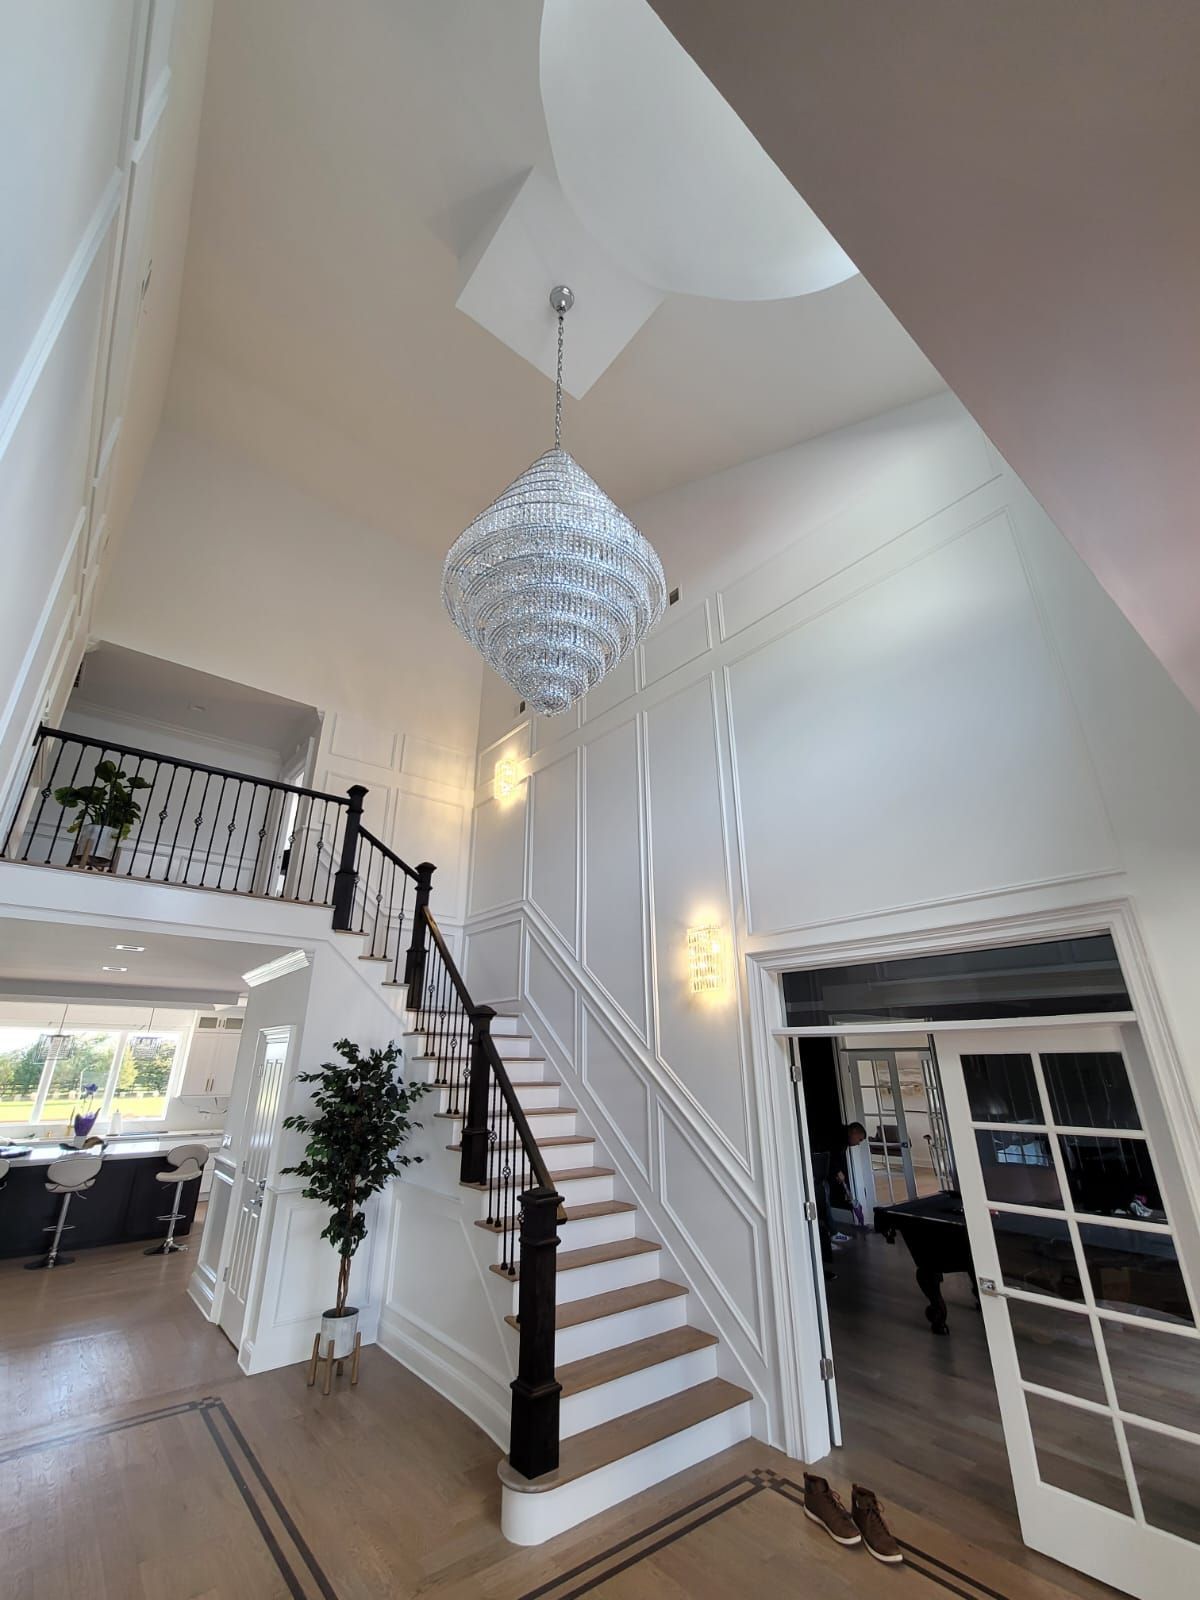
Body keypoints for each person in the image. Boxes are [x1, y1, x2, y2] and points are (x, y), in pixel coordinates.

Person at [830, 1122, 867, 1231]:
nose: (858, 1143)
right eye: (859, 1139)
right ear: (854, 1132)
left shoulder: (844, 1142)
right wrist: (837, 1171)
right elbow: (832, 1155)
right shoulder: (838, 1138)